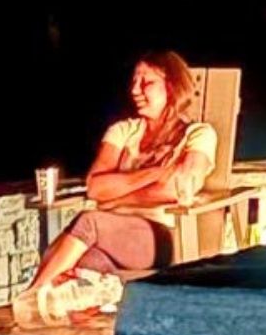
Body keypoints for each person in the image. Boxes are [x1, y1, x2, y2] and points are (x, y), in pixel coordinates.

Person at [28, 50, 216, 289]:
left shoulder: (198, 134)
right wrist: (155, 173)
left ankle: (30, 296)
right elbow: (95, 187)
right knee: (82, 264)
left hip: (157, 237)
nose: (135, 90)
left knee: (88, 221)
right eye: (134, 82)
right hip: (108, 235)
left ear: (172, 87)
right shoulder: (123, 131)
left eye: (146, 83)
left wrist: (115, 198)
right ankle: (49, 305)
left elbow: (176, 189)